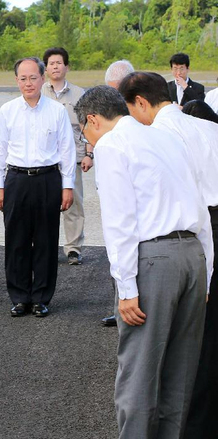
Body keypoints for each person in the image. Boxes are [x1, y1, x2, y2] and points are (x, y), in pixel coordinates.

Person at [74, 85, 213, 439]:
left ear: (92, 119)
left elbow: (120, 223)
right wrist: (208, 275)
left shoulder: (111, 145)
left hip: (155, 259)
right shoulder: (167, 138)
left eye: (84, 131)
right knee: (180, 374)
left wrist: (126, 288)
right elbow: (201, 210)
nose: (87, 140)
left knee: (139, 371)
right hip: (192, 256)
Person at [117, 71, 218, 439]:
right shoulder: (207, 128)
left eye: (131, 110)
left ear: (141, 102)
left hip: (185, 236)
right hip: (201, 236)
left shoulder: (160, 136)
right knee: (201, 347)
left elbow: (134, 212)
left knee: (164, 353)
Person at [0, 57, 76, 317]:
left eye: (33, 78)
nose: (28, 83)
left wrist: (67, 186)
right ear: (16, 80)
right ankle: (19, 297)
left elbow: (67, 150)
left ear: (43, 79)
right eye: (23, 78)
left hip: (48, 179)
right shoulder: (8, 110)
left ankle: (41, 297)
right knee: (15, 241)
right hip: (15, 179)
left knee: (45, 241)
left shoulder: (57, 110)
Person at [42, 47, 92, 266]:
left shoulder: (79, 94)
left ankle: (73, 248)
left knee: (73, 203)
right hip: (44, 159)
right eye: (51, 63)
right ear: (45, 68)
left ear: (67, 67)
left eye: (59, 63)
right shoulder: (38, 91)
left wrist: (90, 153)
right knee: (45, 204)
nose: (55, 67)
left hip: (73, 157)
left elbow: (89, 126)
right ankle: (44, 246)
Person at [100, 59, 134, 328]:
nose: (115, 98)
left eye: (118, 92)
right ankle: (118, 306)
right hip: (115, 188)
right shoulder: (106, 111)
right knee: (117, 249)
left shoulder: (143, 113)